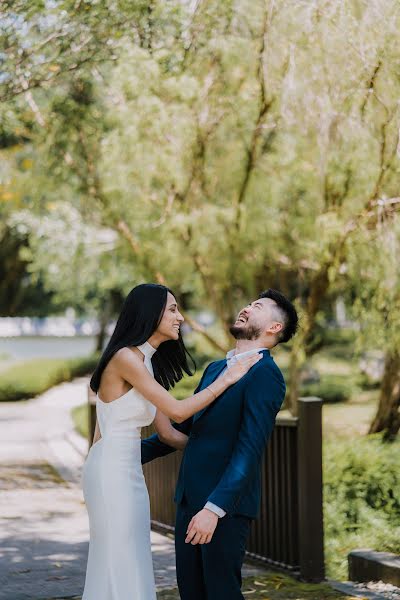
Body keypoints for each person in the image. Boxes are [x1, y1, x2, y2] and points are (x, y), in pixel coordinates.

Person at [81, 283, 261, 600]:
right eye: (173, 309)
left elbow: (167, 433)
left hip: (128, 472)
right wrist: (226, 379)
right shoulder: (125, 358)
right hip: (110, 471)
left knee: (133, 556)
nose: (180, 317)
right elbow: (178, 411)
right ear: (150, 314)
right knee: (118, 559)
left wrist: (216, 453)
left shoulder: (146, 364)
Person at [141, 288, 299, 600]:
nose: (246, 307)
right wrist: (118, 454)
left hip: (223, 509)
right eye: (249, 303)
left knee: (221, 593)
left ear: (274, 327)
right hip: (189, 501)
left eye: (258, 306)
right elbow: (181, 430)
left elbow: (249, 449)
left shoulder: (266, 374)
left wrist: (214, 509)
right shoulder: (216, 369)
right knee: (192, 593)